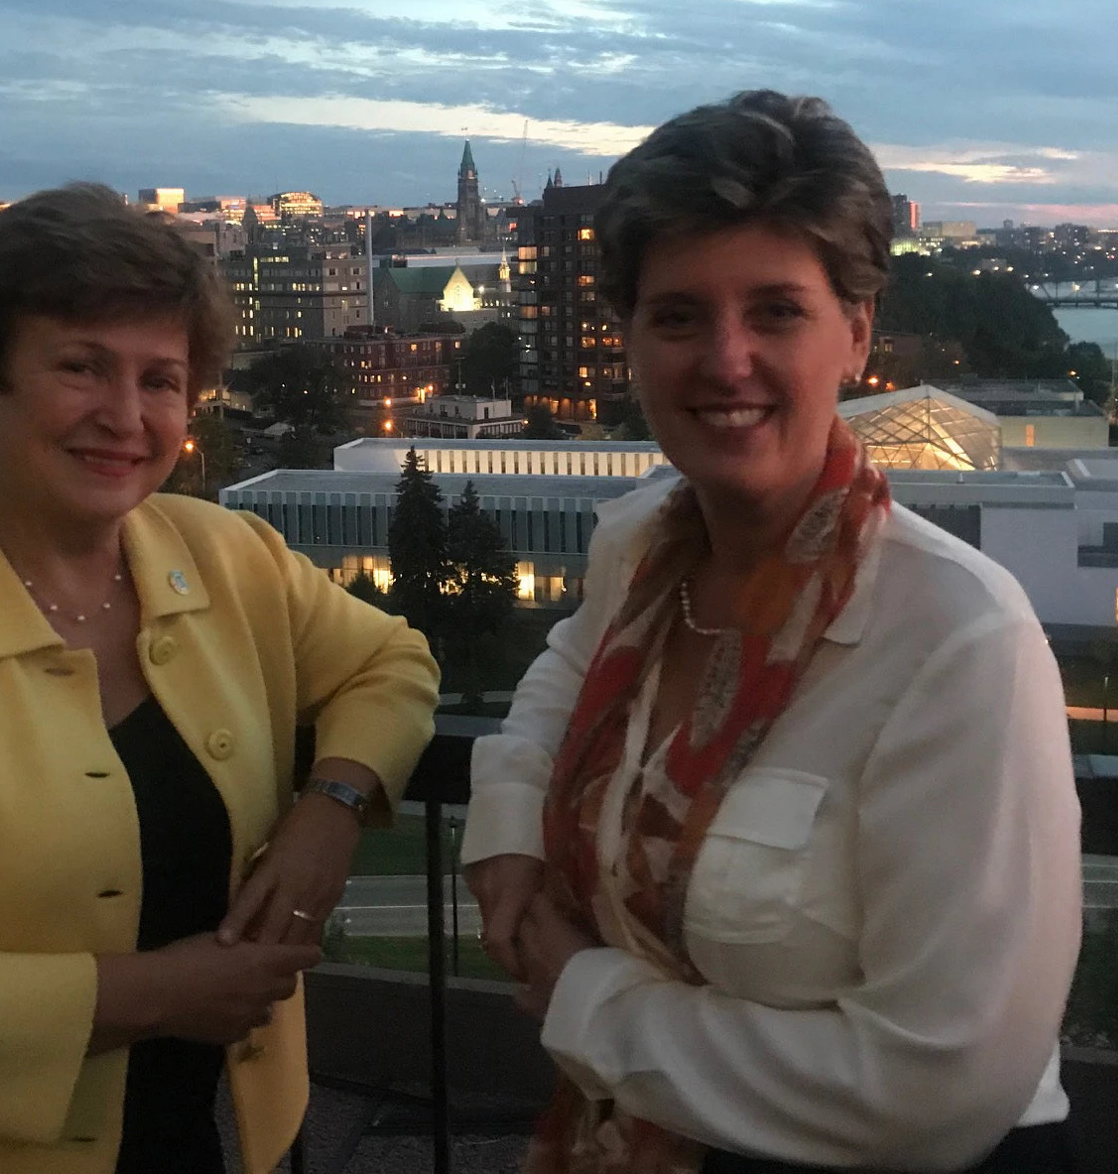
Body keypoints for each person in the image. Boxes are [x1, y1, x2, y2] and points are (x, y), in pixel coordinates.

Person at [0, 184, 439, 1174]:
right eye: (81, 367)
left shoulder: (226, 556)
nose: (124, 417)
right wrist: (170, 994)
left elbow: (392, 661)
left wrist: (331, 809)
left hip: (169, 1137)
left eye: (160, 380)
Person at [461, 92, 1080, 1174]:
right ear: (630, 341)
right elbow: (560, 677)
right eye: (678, 316)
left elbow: (939, 1089)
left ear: (857, 332)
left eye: (777, 312)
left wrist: (587, 1000)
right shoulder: (639, 554)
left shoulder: (959, 639)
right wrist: (509, 827)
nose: (725, 359)